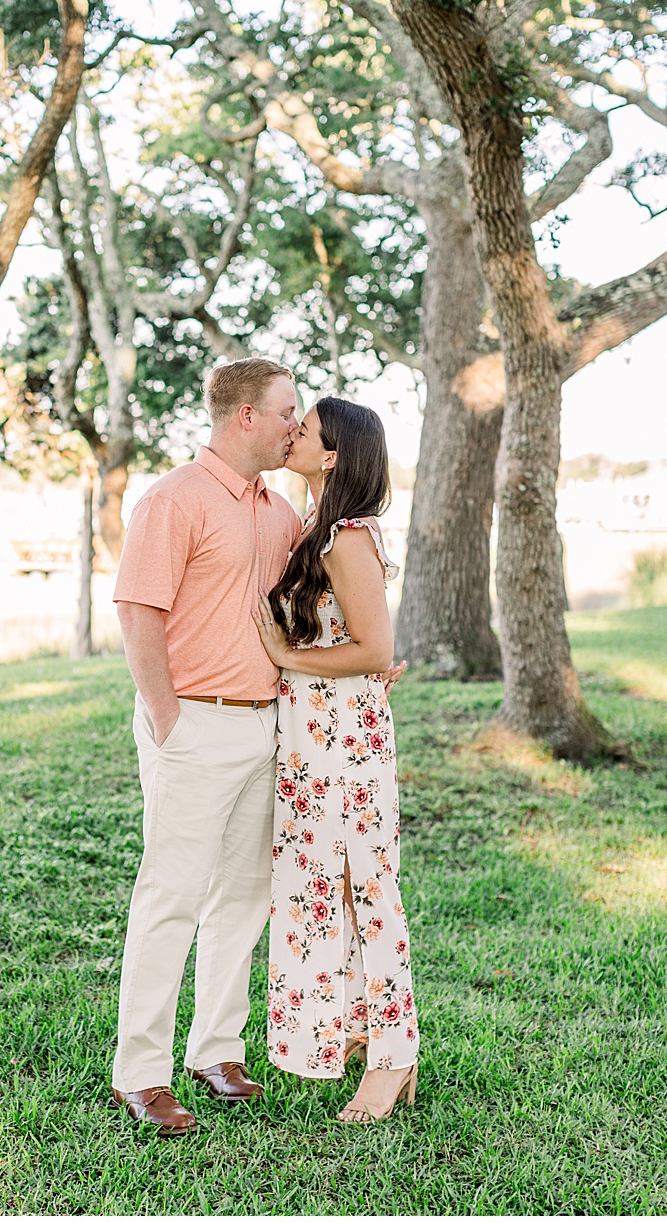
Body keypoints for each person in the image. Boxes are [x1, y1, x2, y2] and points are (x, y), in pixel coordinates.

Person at [107, 358, 302, 1137]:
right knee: (171, 898)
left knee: (243, 896)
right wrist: (165, 716)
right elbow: (137, 613)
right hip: (191, 723)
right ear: (245, 416)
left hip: (267, 726)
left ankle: (217, 1050)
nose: (298, 423)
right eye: (288, 410)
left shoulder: (280, 512)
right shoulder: (172, 499)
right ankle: (140, 1074)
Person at [253, 397, 419, 1123]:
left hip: (344, 742)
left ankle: (393, 1056)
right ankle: (353, 1027)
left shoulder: (346, 537)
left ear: (332, 457)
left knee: (366, 890)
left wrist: (288, 655)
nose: (292, 432)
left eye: (307, 429)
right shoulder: (315, 528)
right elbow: (359, 641)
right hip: (316, 741)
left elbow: (375, 650)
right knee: (329, 885)